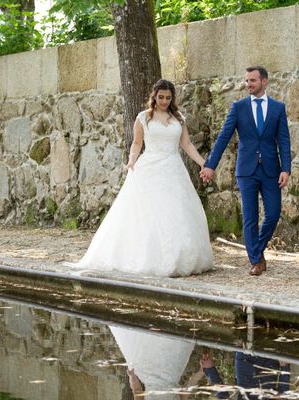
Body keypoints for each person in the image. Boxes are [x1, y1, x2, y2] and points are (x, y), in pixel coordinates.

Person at [73, 79, 213, 277]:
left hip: (173, 168)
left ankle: (181, 256)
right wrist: (131, 161)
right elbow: (137, 143)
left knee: (176, 210)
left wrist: (202, 163)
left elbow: (187, 144)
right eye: (161, 97)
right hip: (149, 168)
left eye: (168, 98)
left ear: (172, 98)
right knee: (148, 212)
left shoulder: (178, 118)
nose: (164, 101)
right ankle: (147, 258)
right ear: (154, 96)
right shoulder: (143, 117)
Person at [200, 66, 291, 276]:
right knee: (250, 217)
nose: (248, 84)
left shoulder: (278, 108)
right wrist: (210, 165)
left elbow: (284, 141)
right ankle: (256, 260)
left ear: (264, 82)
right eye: (247, 80)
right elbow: (224, 137)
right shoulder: (238, 107)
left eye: (252, 80)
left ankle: (257, 250)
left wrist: (285, 168)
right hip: (246, 170)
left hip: (270, 169)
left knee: (273, 213)